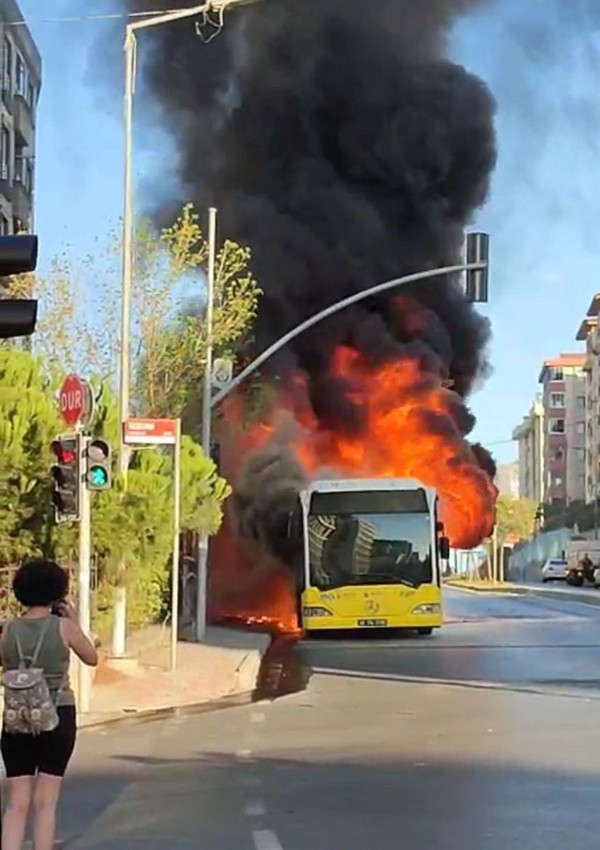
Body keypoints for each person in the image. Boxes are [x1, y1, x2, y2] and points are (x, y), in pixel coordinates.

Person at [0, 559, 98, 850]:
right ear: (58, 591)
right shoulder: (64, 628)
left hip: (17, 718)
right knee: (46, 803)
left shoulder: (7, 630)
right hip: (57, 715)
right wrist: (76, 623)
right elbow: (91, 657)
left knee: (16, 804)